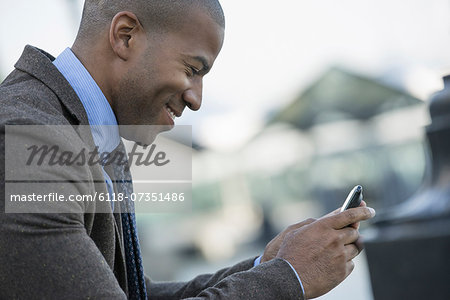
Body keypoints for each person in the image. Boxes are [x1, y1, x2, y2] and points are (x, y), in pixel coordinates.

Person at [0, 0, 376, 299]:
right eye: (193, 69)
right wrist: (289, 276)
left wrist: (268, 264)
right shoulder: (30, 140)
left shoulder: (88, 131)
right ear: (125, 35)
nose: (196, 100)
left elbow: (131, 293)